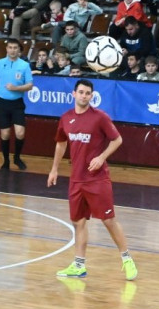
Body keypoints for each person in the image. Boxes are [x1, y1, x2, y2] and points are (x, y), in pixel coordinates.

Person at [47, 79, 138, 281]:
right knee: (78, 222)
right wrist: (54, 169)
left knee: (108, 220)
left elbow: (117, 139)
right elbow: (61, 143)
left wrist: (101, 157)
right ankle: (79, 265)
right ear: (74, 94)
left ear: (92, 96)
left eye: (88, 93)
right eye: (81, 92)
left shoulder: (99, 117)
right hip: (76, 179)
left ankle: (127, 259)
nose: (84, 96)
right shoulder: (66, 118)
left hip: (97, 179)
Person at [0, 38, 34, 170]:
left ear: (19, 50)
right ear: (6, 49)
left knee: (20, 133)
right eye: (10, 47)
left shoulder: (24, 65)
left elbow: (30, 85)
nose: (12, 50)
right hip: (2, 103)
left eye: (15, 48)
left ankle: (17, 158)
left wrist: (16, 88)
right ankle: (6, 161)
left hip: (17, 103)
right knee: (5, 134)